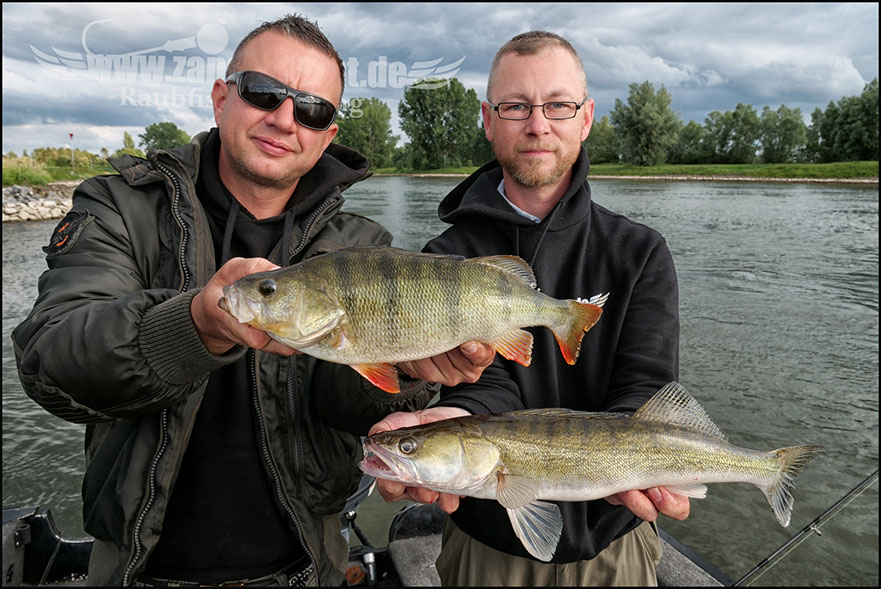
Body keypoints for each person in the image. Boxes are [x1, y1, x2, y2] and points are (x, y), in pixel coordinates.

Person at [12, 14, 493, 587]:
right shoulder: (120, 207)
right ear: (221, 97)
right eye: (264, 92)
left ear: (328, 135)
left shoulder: (361, 245)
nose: (286, 119)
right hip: (139, 570)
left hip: (303, 566)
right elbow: (53, 365)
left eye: (313, 109)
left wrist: (409, 369)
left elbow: (346, 406)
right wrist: (192, 327)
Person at [369, 31, 688, 586]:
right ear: (489, 121)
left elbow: (647, 387)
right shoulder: (447, 259)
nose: (537, 124)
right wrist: (454, 418)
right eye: (515, 106)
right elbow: (481, 384)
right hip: (485, 543)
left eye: (557, 105)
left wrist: (632, 461)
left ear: (585, 118)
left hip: (615, 545)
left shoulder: (640, 252)